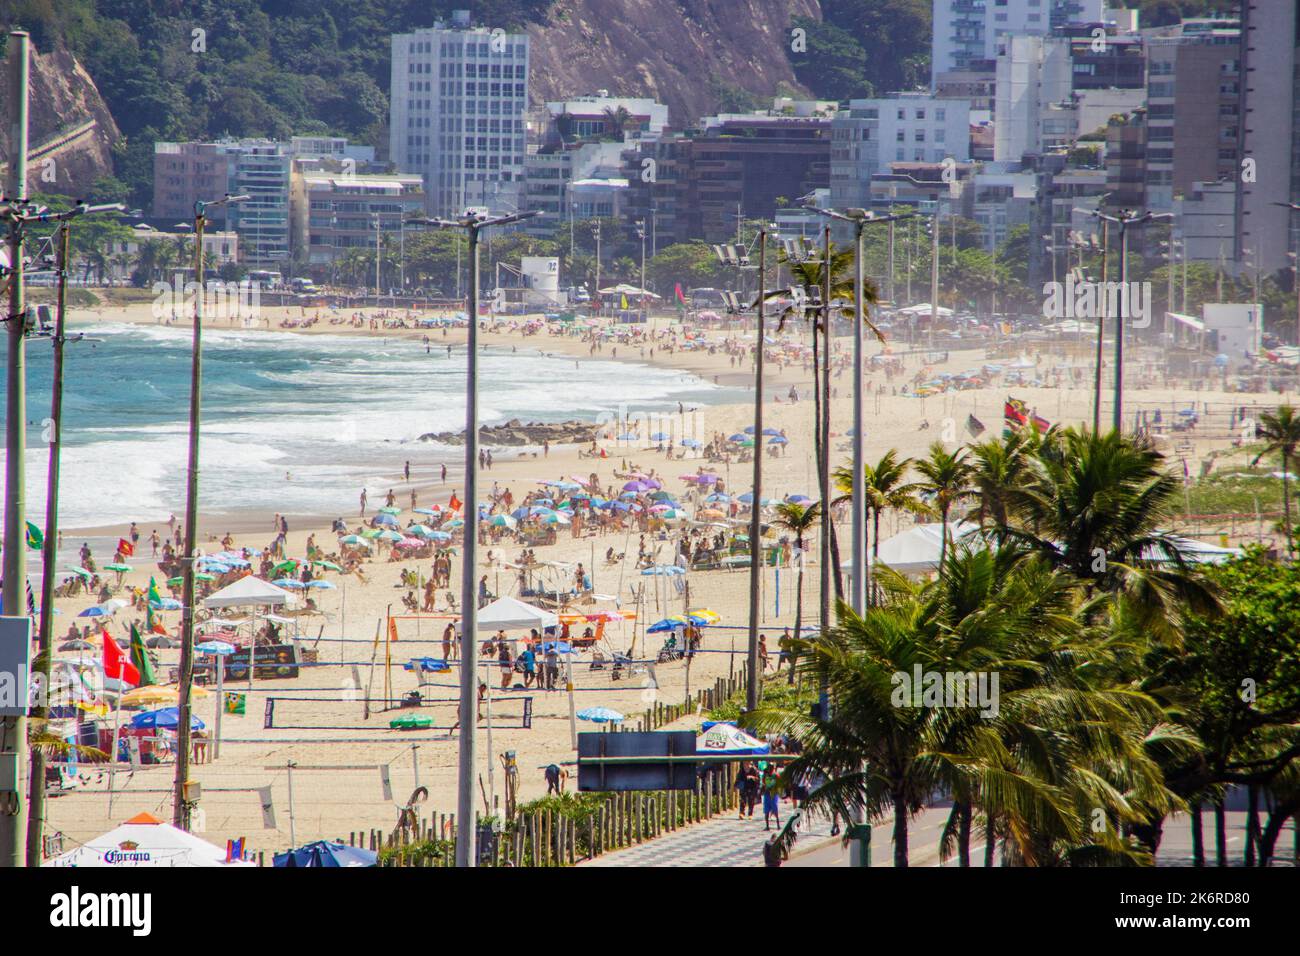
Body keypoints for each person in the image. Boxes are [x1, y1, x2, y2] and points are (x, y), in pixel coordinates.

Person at [761, 764, 781, 831]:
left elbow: (780, 782)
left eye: (772, 768)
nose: (770, 769)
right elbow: (763, 782)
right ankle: (767, 826)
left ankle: (778, 825)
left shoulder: (776, 775)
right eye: (769, 768)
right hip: (767, 794)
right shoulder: (765, 775)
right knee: (766, 811)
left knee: (775, 809)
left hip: (774, 794)